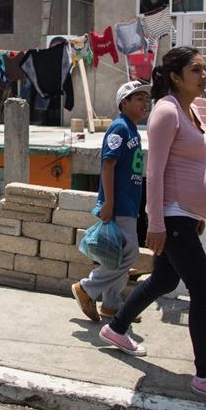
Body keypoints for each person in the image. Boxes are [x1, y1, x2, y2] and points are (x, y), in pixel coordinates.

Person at [97, 46, 206, 409]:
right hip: (172, 216)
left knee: (165, 280)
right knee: (205, 289)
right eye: (196, 70)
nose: (204, 75)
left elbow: (196, 165)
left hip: (186, 214)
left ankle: (116, 328)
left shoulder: (190, 110)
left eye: (205, 69)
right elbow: (156, 170)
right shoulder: (166, 110)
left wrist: (200, 211)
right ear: (176, 77)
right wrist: (158, 223)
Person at [71, 80, 150, 324]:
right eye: (139, 99)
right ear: (123, 103)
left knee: (117, 257)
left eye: (146, 99)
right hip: (120, 205)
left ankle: (112, 304)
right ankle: (86, 288)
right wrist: (109, 203)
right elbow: (108, 164)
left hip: (128, 204)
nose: (145, 103)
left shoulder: (132, 129)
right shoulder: (119, 129)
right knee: (129, 255)